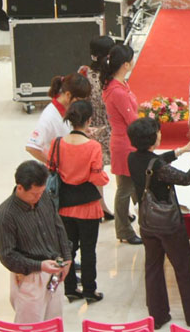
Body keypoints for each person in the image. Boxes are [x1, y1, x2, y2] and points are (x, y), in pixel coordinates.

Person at [127, 118, 190, 329]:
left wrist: (181, 151)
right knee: (183, 268)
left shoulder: (132, 158)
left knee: (153, 268)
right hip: (168, 224)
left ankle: (158, 314)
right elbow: (186, 178)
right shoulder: (157, 166)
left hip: (147, 222)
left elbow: (155, 161)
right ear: (153, 137)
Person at [0, 161, 71, 323]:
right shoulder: (6, 215)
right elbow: (7, 256)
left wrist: (67, 257)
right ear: (20, 187)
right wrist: (40, 266)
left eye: (41, 192)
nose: (39, 197)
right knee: (30, 326)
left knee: (54, 323)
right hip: (30, 277)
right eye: (35, 194)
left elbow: (58, 227)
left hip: (54, 272)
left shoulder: (44, 198)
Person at [48, 100, 109, 303]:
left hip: (64, 206)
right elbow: (97, 177)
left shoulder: (57, 143)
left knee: (67, 249)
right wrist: (105, 178)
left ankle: (70, 288)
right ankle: (90, 290)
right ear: (89, 120)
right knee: (88, 250)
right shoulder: (93, 146)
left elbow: (51, 168)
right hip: (88, 206)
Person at [101, 44, 143, 245]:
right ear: (126, 64)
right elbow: (131, 120)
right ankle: (124, 230)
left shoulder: (118, 85)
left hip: (126, 141)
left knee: (132, 186)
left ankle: (141, 222)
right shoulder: (117, 91)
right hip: (125, 144)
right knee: (125, 188)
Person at [26, 73, 91, 163]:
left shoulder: (68, 109)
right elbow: (32, 147)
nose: (82, 104)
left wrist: (82, 131)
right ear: (68, 95)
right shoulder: (49, 116)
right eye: (79, 100)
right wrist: (54, 164)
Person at [79, 35, 114, 171]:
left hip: (89, 129)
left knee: (94, 170)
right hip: (112, 130)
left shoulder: (84, 73)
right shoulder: (113, 77)